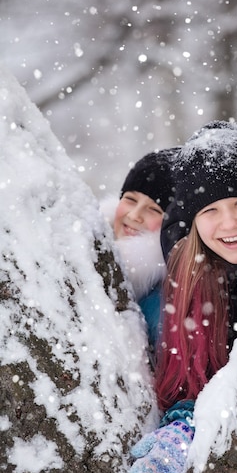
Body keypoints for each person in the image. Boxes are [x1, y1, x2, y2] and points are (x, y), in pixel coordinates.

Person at [129, 121, 237, 473]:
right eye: (211, 209)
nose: (230, 222)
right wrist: (184, 424)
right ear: (193, 221)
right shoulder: (179, 294)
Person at [100, 147, 178, 352]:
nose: (134, 215)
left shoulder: (163, 304)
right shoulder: (88, 246)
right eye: (130, 200)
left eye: (154, 209)